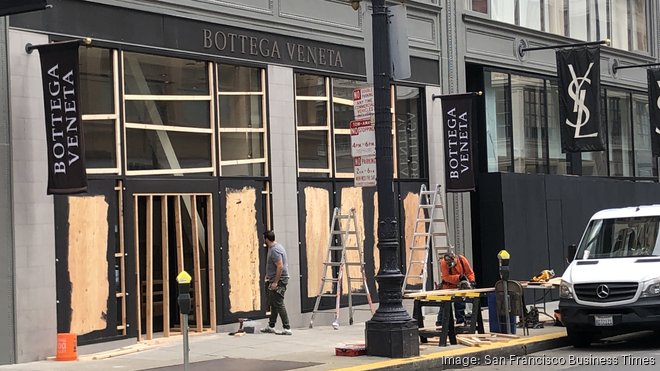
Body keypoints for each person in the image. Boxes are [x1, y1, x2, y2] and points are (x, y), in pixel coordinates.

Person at [260, 230, 292, 335]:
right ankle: (271, 326)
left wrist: (275, 282)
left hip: (280, 280)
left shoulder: (274, 250)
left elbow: (280, 266)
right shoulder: (275, 247)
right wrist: (269, 275)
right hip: (276, 278)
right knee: (273, 303)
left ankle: (287, 328)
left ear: (266, 239)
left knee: (278, 302)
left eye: (264, 238)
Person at [436, 252, 476, 327]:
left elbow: (469, 272)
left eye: (451, 263)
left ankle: (460, 322)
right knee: (445, 304)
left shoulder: (462, 260)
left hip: (460, 286)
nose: (450, 265)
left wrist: (472, 281)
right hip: (448, 286)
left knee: (460, 303)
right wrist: (459, 277)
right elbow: (446, 277)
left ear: (455, 259)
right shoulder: (443, 263)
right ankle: (440, 323)